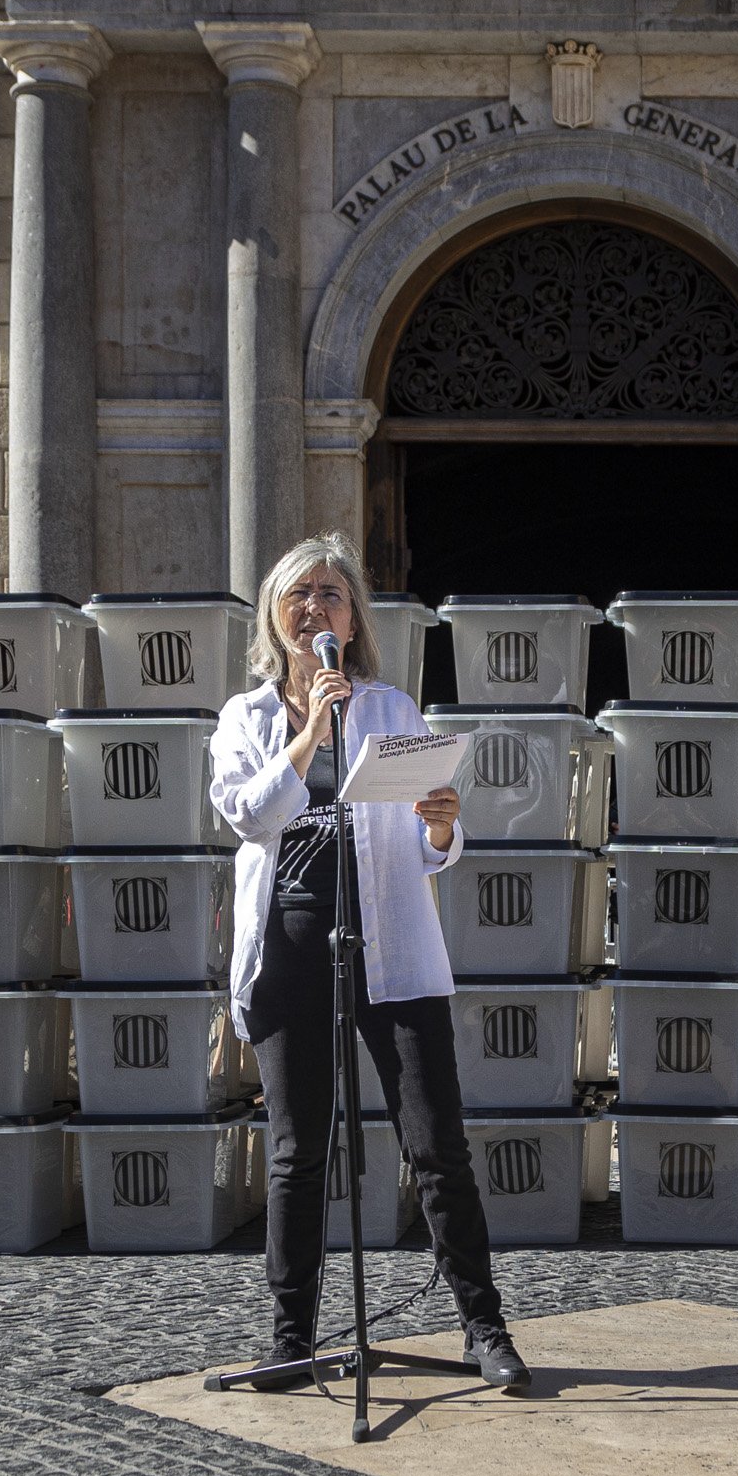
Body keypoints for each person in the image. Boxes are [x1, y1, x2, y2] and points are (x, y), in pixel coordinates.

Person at [209, 533, 527, 1394]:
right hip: (289, 951)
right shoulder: (246, 719)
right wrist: (309, 730)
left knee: (437, 1145)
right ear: (276, 614)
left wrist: (440, 822)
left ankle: (483, 1326)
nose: (316, 608)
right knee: (297, 1151)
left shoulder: (390, 709)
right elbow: (248, 814)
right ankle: (289, 1336)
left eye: (333, 596)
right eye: (300, 594)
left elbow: (432, 849)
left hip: (391, 948)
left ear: (353, 621)